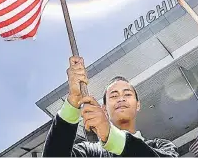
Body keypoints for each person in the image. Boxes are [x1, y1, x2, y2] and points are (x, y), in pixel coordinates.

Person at [42, 56, 178, 157]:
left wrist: (110, 135)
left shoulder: (161, 146)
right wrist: (73, 100)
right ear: (104, 110)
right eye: (114, 96)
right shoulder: (90, 152)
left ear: (138, 105)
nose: (121, 98)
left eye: (127, 94)